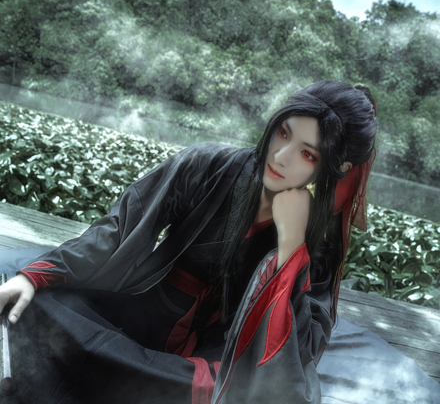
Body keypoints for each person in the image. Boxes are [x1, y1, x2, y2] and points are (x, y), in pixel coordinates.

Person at [0, 80, 377, 403]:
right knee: (37, 304)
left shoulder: (318, 238)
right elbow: (119, 228)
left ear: (336, 168)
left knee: (235, 392)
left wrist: (291, 249)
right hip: (141, 314)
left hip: (212, 359)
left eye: (307, 153)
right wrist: (35, 276)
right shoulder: (207, 164)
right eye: (283, 133)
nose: (280, 156)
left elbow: (301, 350)